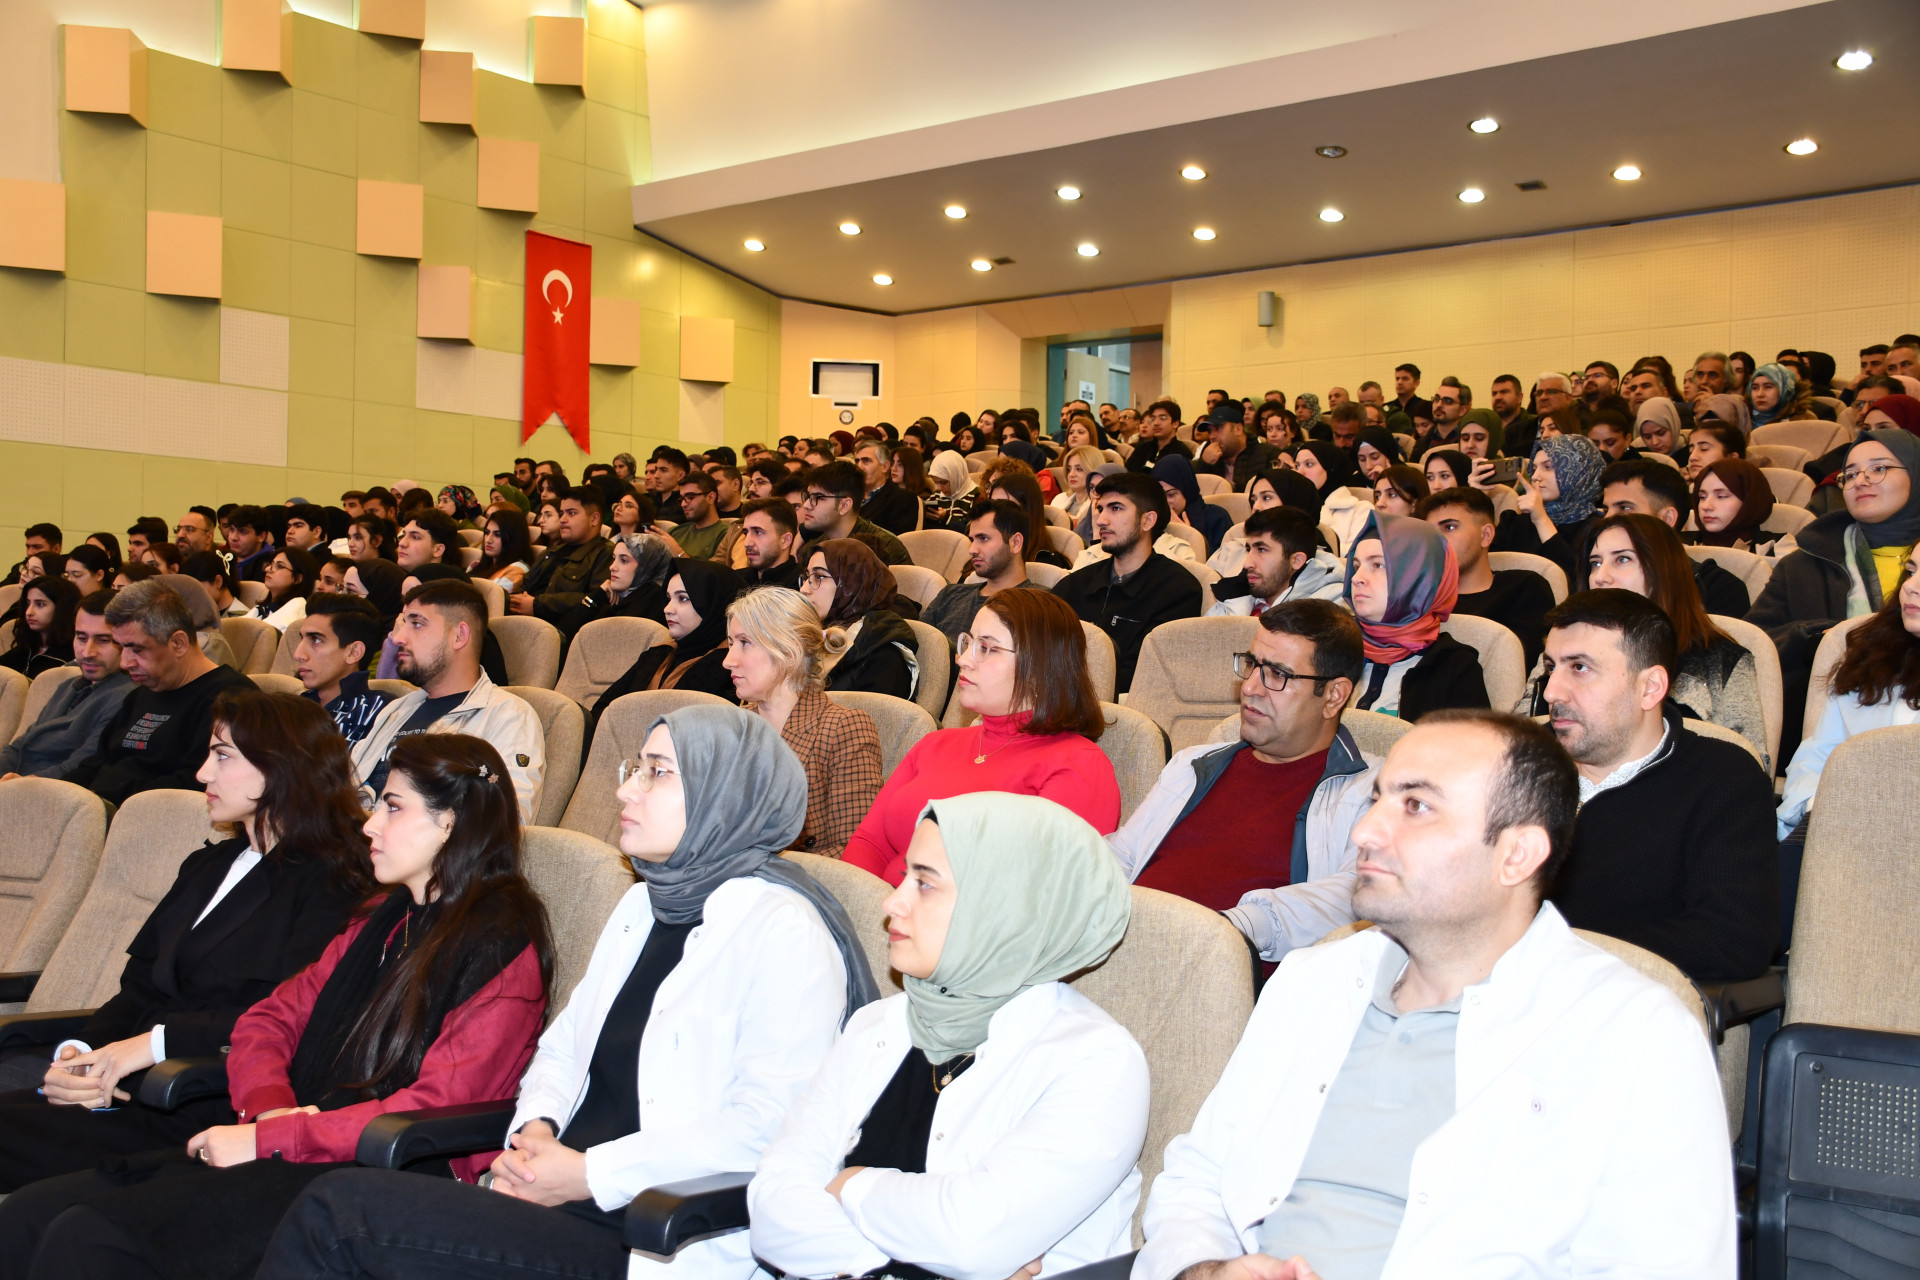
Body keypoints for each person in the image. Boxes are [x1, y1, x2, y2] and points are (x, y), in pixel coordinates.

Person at [258, 705, 878, 1280]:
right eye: (636, 768)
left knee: (340, 1214)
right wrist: (536, 1130)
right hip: (557, 1197)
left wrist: (588, 1174)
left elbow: (766, 1129)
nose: (625, 790)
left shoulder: (785, 930)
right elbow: (561, 1049)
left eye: (658, 773)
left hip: (652, 1233)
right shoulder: (642, 905)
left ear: (727, 795)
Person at [1136, 708, 1733, 1280]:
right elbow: (1199, 1178)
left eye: (1416, 806)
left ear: (1516, 855)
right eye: (1377, 800)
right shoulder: (1312, 980)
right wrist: (1205, 1270)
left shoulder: (1635, 1034)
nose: (1365, 831)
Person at [0, 734, 552, 1280]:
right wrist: (268, 1113)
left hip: (371, 1179)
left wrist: (274, 1139)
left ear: (451, 822)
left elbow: (439, 1103)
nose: (370, 825)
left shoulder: (500, 944)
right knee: (30, 1216)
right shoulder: (382, 917)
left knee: (90, 1236)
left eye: (392, 806)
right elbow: (269, 1019)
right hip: (298, 1143)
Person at [753, 790, 1147, 1280]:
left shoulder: (1097, 1063)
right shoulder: (876, 1025)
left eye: (925, 883)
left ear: (1005, 907)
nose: (892, 901)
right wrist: (884, 1265)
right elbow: (772, 1201)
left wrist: (851, 1184)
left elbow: (972, 1237)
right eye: (905, 877)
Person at [0, 691, 374, 1172]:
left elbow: (288, 1018)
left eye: (223, 756)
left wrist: (154, 1043)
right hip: (127, 1085)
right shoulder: (206, 864)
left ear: (281, 766)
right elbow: (138, 990)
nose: (202, 774)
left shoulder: (336, 882)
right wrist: (81, 1053)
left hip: (201, 1099)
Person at [1110, 600, 1378, 959]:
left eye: (1278, 674)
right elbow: (1122, 857)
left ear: (1334, 696)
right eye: (1252, 664)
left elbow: (1356, 894)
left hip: (1225, 975)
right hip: (1124, 951)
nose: (1250, 687)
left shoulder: (1373, 792)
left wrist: (1232, 928)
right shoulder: (1192, 765)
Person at [1539, 591, 1779, 982]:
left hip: (1621, 1003)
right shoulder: (1513, 762)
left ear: (1650, 687)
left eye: (1579, 668)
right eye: (1551, 667)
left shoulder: (1721, 778)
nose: (1551, 691)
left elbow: (1734, 937)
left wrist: (1563, 959)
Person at [843, 590, 1121, 884]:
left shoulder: (1079, 766)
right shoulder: (935, 744)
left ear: (1039, 667)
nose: (962, 659)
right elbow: (869, 844)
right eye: (969, 642)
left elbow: (1035, 892)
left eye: (987, 648)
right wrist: (858, 906)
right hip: (877, 905)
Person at [1748, 427, 1920, 748]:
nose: (1860, 481)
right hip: (1827, 731)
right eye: (1850, 475)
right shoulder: (1804, 564)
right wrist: (1813, 638)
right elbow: (1751, 647)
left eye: (1878, 468)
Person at [1778, 551, 1920, 932]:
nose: (1911, 586)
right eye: (1911, 570)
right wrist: (1825, 805)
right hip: (1846, 833)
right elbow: (1817, 757)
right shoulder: (1873, 657)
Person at [351, 581, 546, 823]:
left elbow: (506, 820)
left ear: (459, 636)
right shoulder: (397, 710)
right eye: (403, 623)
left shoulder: (509, 716)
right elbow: (345, 785)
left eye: (417, 624)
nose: (399, 637)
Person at [724, 587, 883, 858]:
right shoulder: (733, 726)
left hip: (800, 880)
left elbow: (854, 849)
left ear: (789, 652)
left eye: (745, 643)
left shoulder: (844, 727)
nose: (728, 661)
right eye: (730, 643)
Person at [59, 581, 251, 804]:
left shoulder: (232, 700)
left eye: (137, 649)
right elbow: (95, 764)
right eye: (121, 647)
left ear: (178, 643)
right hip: (99, 809)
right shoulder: (140, 695)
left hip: (152, 816)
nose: (124, 663)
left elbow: (195, 785)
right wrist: (55, 794)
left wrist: (101, 797)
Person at [1053, 472, 1204, 695]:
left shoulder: (1179, 590)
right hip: (1060, 698)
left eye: (1116, 508)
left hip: (1126, 707)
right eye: (1101, 509)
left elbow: (1145, 675)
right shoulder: (1076, 583)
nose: (1101, 520)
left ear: (1147, 520)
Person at [1346, 512, 1490, 720]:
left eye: (1378, 565)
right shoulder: (1330, 647)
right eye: (1356, 566)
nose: (1356, 578)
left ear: (1419, 578)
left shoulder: (1455, 669)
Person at [590, 560, 745, 733]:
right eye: (669, 598)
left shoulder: (730, 667)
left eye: (683, 599)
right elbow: (604, 710)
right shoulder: (659, 653)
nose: (667, 609)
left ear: (713, 603)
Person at [0, 591, 133, 781]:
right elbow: (19, 746)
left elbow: (79, 768)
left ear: (127, 642)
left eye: (103, 640)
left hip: (48, 792)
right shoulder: (67, 686)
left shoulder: (129, 697)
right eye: (81, 638)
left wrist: (18, 787)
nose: (87, 652)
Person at [1420, 486, 1555, 670]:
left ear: (1486, 535)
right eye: (1430, 532)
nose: (1436, 541)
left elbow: (1516, 668)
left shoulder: (1524, 588)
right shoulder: (1422, 597)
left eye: (1449, 527)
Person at [799, 538, 921, 700]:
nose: (804, 589)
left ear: (852, 582)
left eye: (819, 576)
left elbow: (876, 716)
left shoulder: (883, 657)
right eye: (807, 577)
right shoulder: (809, 635)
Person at [922, 499, 1037, 646]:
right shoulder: (950, 595)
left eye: (983, 538)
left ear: (1015, 543)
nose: (972, 550)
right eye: (972, 539)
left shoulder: (1040, 605)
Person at [1494, 433, 1606, 577]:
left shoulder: (1597, 528)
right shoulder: (1513, 523)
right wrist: (1479, 496)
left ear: (1578, 471)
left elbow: (1579, 577)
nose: (1535, 476)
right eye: (1534, 468)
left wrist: (1541, 520)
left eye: (1548, 467)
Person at [291, 594, 391, 746]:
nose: (298, 655)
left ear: (353, 652)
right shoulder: (294, 708)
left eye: (316, 640)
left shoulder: (379, 712)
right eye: (302, 639)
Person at [1208, 506, 1345, 617]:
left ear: (1297, 561)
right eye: (1248, 549)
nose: (1247, 564)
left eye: (1262, 550)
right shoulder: (1233, 596)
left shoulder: (1330, 609)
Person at [511, 486, 613, 622]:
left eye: (571, 513)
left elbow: (594, 600)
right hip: (524, 622)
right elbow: (524, 587)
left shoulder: (606, 554)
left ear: (594, 519)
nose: (562, 519)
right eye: (561, 513)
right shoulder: (550, 552)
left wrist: (537, 605)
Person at [554, 531, 673, 643]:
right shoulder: (613, 595)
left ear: (647, 566)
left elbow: (606, 641)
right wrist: (598, 594)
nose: (612, 567)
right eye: (614, 558)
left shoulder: (653, 599)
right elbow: (564, 631)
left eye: (624, 560)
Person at [798, 462, 912, 566]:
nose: (806, 505)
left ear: (844, 505)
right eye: (808, 496)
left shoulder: (884, 547)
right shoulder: (813, 548)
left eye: (818, 497)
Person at [1691, 457, 1784, 555]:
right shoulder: (1682, 545)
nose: (1706, 506)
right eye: (1702, 497)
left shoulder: (1777, 547)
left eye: (1722, 496)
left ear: (1749, 501)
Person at [1294, 441, 1371, 553]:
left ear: (1330, 467)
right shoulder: (1291, 508)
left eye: (1309, 464)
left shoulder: (1360, 509)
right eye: (1297, 466)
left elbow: (1358, 553)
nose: (1299, 472)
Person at [1153, 452, 1231, 556]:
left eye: (1171, 494)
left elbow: (1223, 562)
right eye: (1159, 495)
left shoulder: (1217, 517)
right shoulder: (1152, 518)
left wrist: (1190, 536)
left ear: (1187, 490)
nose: (1165, 501)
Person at [0, 577, 77, 678]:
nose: (29, 612)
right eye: (28, 603)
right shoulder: (27, 647)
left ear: (62, 608)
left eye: (40, 604)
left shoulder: (70, 659)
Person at [852, 439, 919, 535]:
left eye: (866, 461)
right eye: (857, 461)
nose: (859, 466)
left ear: (885, 466)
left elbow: (895, 540)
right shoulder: (849, 495)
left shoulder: (903, 498)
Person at [667, 471, 738, 562]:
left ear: (710, 497)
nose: (683, 504)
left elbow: (712, 570)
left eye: (690, 497)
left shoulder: (726, 535)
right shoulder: (674, 532)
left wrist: (678, 552)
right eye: (682, 498)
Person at [737, 497, 804, 590]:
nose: (747, 543)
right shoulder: (735, 581)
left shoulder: (802, 586)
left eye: (758, 532)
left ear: (785, 540)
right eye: (746, 533)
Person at [253, 547, 317, 632]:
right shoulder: (263, 608)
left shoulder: (297, 606)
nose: (267, 569)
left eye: (279, 566)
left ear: (298, 578)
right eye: (270, 564)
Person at [472, 509, 536, 592]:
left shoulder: (516, 571)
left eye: (497, 535)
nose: (488, 540)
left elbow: (495, 599)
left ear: (514, 538)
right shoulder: (476, 565)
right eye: (487, 533)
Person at [924, 449, 980, 532]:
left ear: (956, 477)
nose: (939, 488)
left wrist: (946, 517)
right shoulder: (937, 495)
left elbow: (972, 529)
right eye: (935, 482)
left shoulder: (976, 496)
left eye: (943, 482)